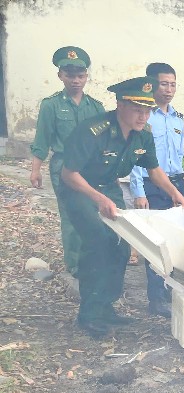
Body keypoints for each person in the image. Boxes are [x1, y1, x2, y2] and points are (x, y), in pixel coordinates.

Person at [60, 77, 184, 339]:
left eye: (148, 110)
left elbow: (154, 170)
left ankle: (106, 307)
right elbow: (68, 174)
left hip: (108, 188)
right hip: (80, 189)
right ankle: (89, 313)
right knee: (98, 242)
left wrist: (176, 195)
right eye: (137, 110)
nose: (144, 116)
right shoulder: (94, 130)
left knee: (121, 245)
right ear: (120, 105)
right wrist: (98, 199)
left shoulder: (143, 135)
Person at [30, 46, 105, 276]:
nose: (75, 80)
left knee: (93, 213)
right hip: (63, 166)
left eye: (80, 75)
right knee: (71, 215)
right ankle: (74, 264)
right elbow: (42, 140)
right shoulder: (50, 105)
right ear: (60, 75)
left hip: (90, 167)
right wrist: (36, 170)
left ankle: (92, 259)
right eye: (70, 75)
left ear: (86, 77)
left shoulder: (95, 106)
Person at [129, 63, 184, 318]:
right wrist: (138, 190)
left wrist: (179, 188)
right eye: (164, 84)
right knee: (155, 243)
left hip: (175, 183)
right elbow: (132, 158)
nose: (169, 89)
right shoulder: (143, 116)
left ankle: (167, 290)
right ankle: (155, 299)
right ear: (151, 84)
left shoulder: (178, 118)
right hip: (150, 185)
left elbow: (179, 155)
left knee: (173, 241)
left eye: (173, 84)